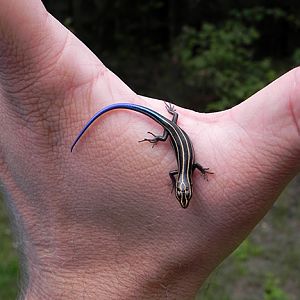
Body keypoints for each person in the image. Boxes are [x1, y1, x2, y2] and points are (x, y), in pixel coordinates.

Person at [0, 1, 299, 299]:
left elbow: (182, 170)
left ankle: (158, 133)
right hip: (171, 129)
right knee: (162, 136)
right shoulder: (186, 169)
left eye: (182, 193)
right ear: (187, 188)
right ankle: (158, 133)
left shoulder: (184, 171)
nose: (183, 194)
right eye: (184, 193)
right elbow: (186, 168)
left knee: (163, 137)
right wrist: (168, 137)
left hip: (172, 131)